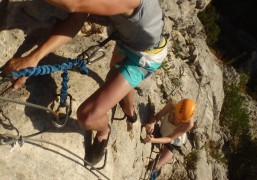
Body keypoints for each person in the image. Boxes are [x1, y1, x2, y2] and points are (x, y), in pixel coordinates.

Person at [4, 0, 168, 165]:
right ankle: (128, 109)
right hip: (127, 43)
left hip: (143, 59)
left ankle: (105, 129)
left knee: (88, 117)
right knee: (116, 74)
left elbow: (75, 4)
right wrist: (34, 58)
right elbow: (77, 17)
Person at [144, 98, 196, 177]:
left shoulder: (189, 124)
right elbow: (157, 116)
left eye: (181, 120)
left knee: (153, 168)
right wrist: (152, 123)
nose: (178, 119)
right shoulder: (171, 105)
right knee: (152, 166)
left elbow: (170, 138)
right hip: (162, 132)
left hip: (173, 143)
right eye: (176, 115)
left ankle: (156, 171)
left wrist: (153, 140)